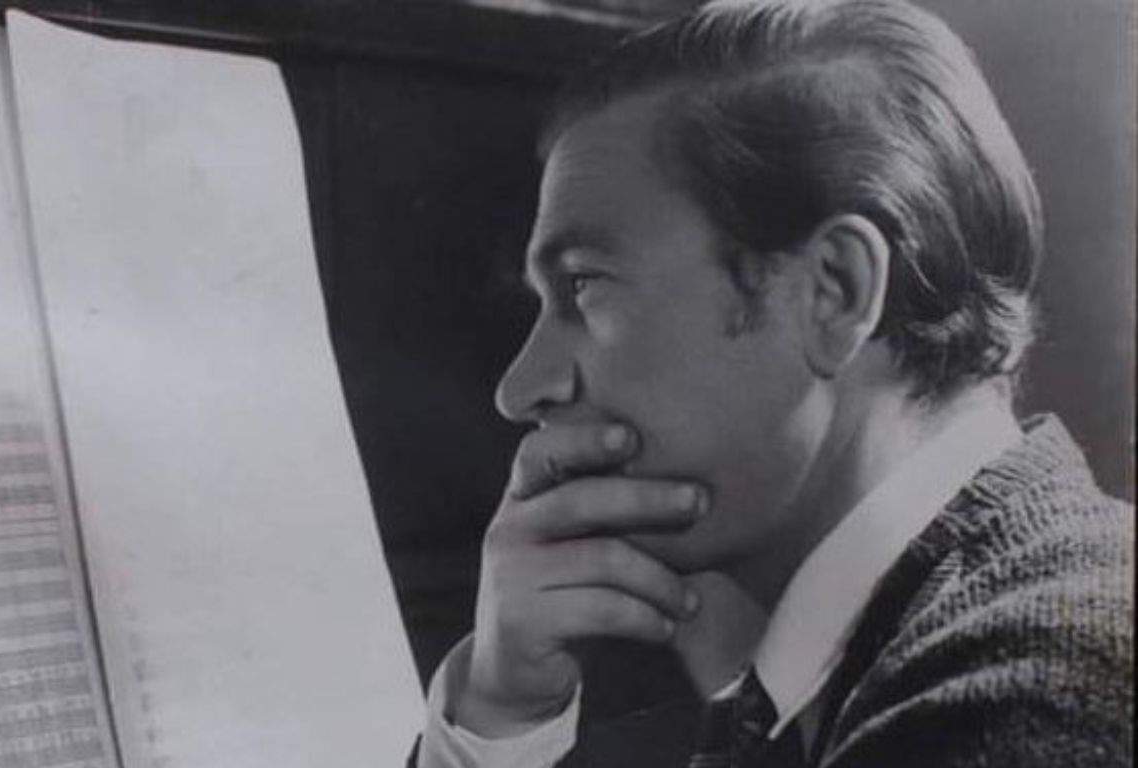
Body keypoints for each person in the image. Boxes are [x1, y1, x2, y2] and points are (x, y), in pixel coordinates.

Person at [412, 0, 1134, 766]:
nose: (521, 388)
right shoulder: (939, 638)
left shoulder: (1029, 696)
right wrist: (503, 711)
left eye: (585, 285)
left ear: (833, 291)